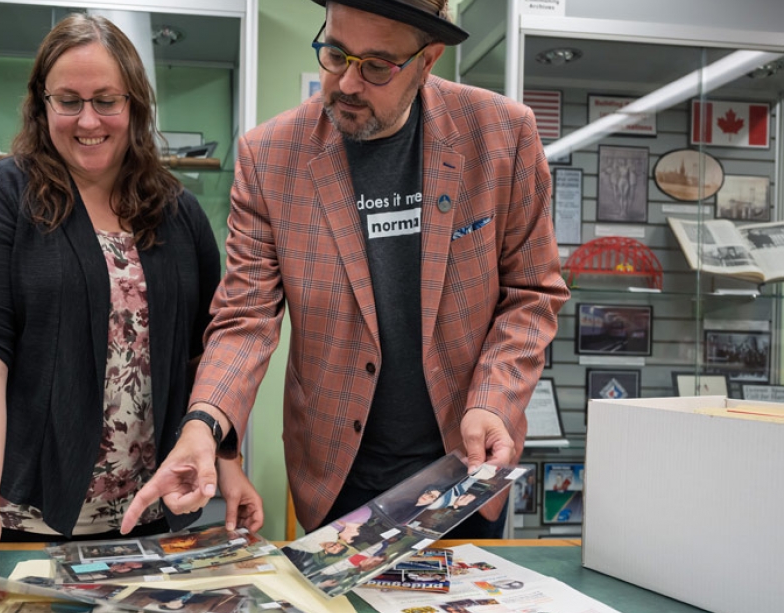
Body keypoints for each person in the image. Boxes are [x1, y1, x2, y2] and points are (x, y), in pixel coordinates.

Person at [122, 0, 568, 539]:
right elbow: (246, 315)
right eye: (335, 53)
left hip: (466, 462)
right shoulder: (271, 156)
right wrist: (203, 424)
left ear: (427, 61)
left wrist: (493, 402)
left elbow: (532, 293)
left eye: (377, 66)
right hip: (335, 469)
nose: (347, 83)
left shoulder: (501, 136)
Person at [0, 14, 262, 601]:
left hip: (147, 510)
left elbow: (205, 352)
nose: (88, 120)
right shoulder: (0, 198)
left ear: (135, 105)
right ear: (42, 105)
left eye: (106, 101)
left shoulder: (178, 214)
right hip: (16, 512)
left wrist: (228, 461)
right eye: (69, 101)